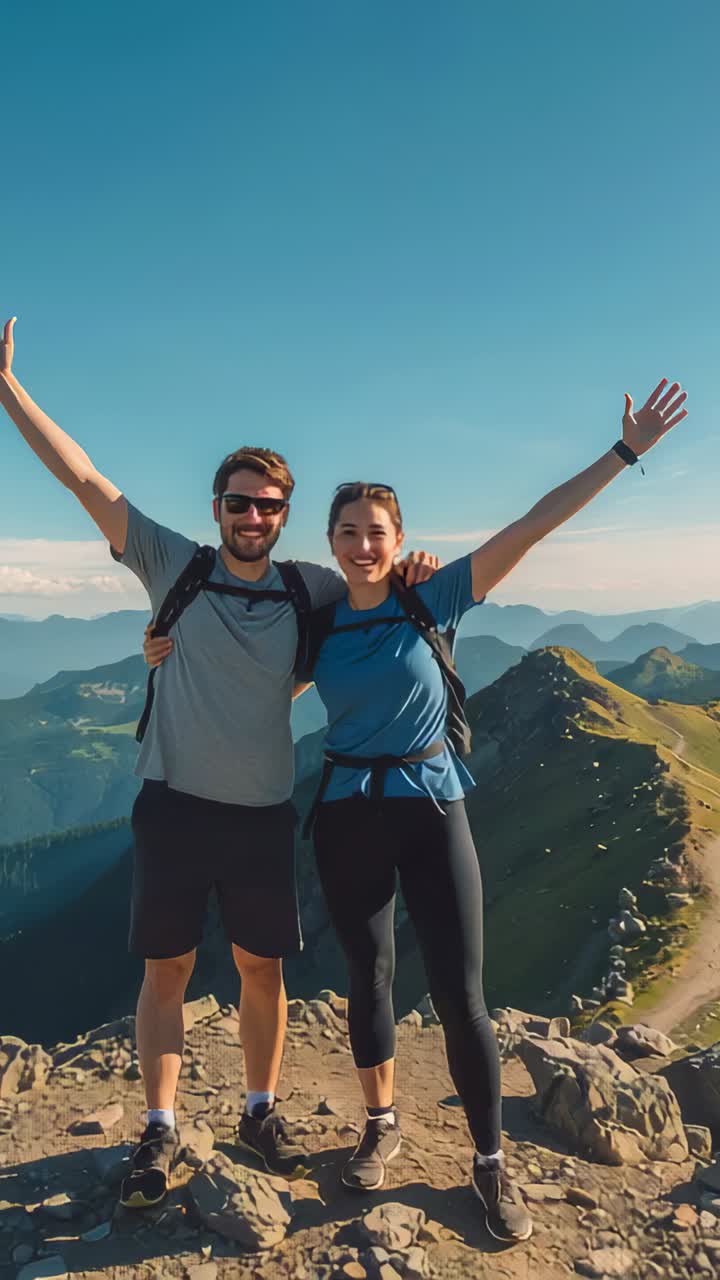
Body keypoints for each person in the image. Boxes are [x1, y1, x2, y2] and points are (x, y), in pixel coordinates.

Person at [146, 375, 689, 1245]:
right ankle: (381, 1123)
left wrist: (624, 454)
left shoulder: (429, 597)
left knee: (459, 992)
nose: (363, 545)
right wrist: (161, 656)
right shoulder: (317, 619)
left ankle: (489, 1163)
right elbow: (251, 685)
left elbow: (534, 525)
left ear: (400, 541)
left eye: (377, 533)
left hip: (432, 805)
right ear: (330, 541)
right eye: (349, 533)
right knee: (369, 978)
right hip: (349, 814)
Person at [0, 315, 437, 1210]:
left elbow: (370, 598)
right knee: (165, 972)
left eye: (269, 505)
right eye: (239, 502)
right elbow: (83, 477)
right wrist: (9, 389)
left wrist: (414, 571)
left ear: (284, 514)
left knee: (261, 970)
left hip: (263, 813)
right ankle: (157, 1132)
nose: (253, 516)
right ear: (216, 509)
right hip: (173, 805)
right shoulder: (174, 565)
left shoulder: (307, 587)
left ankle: (258, 1110)